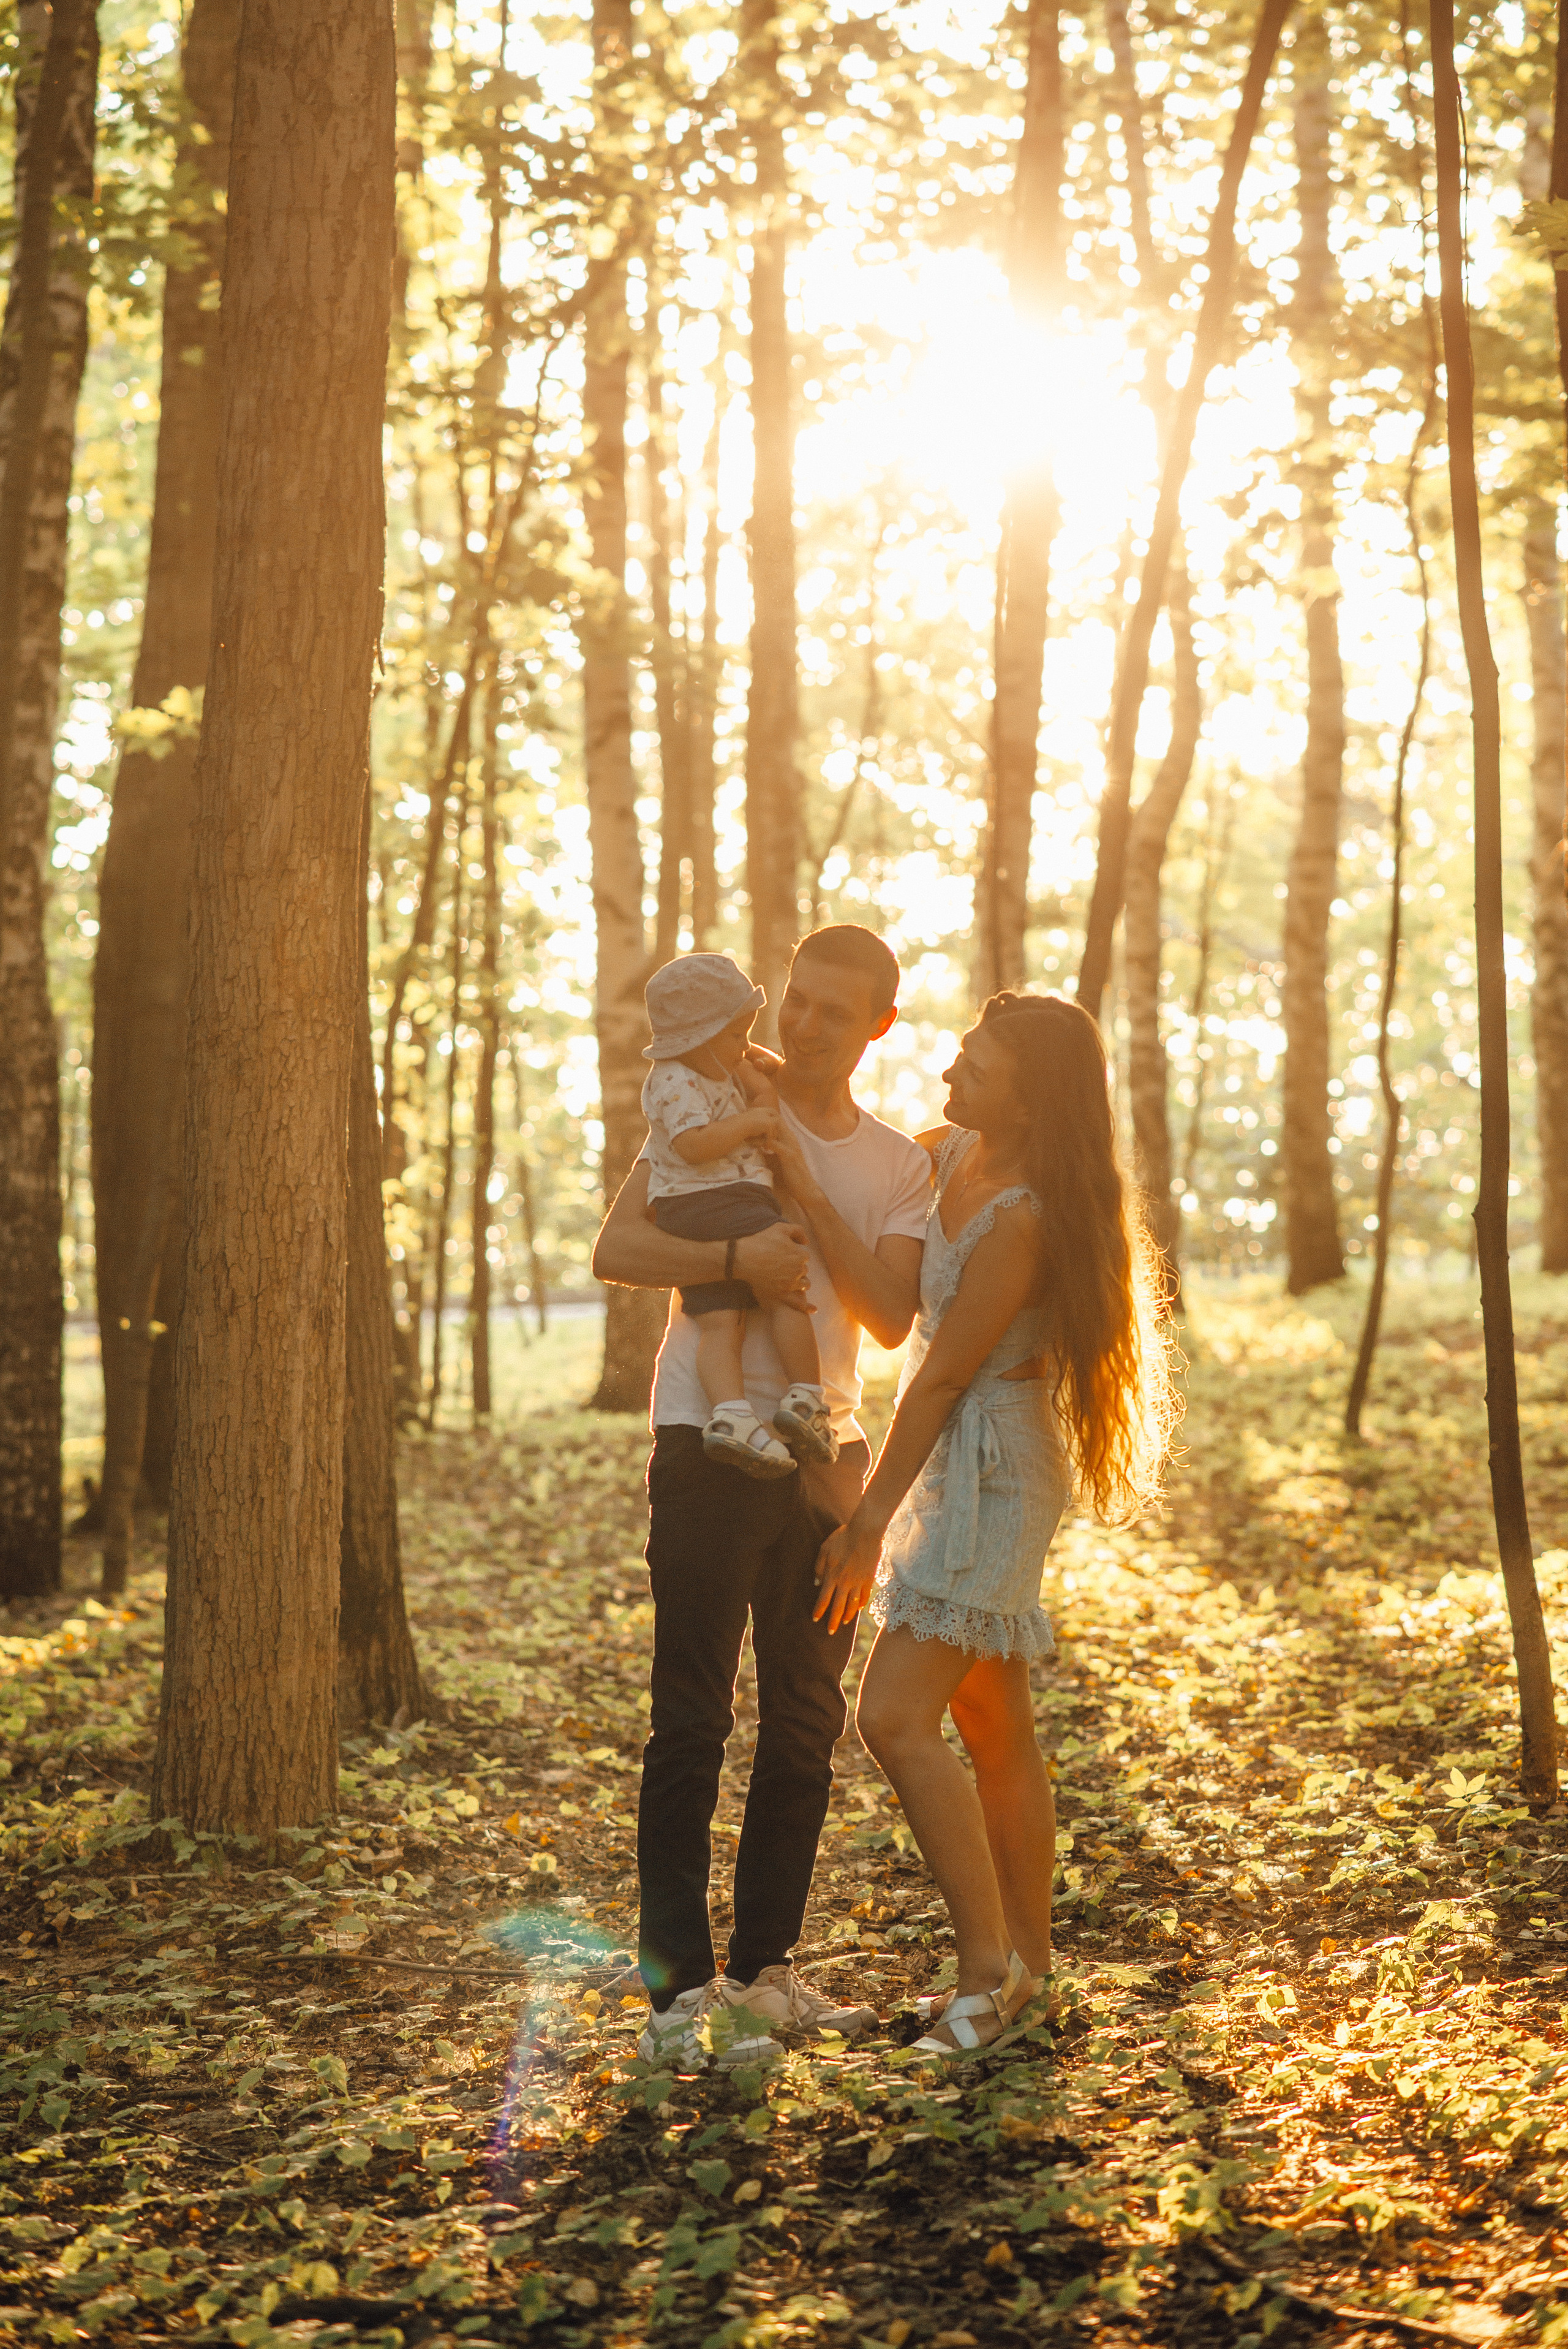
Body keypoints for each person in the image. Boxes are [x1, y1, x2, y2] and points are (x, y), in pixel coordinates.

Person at [592, 925, 932, 2070]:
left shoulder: (897, 1162)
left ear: (880, 1024)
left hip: (824, 1454)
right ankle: (676, 1995)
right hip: (705, 1434)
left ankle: (763, 1972)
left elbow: (888, 1312)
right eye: (798, 1000)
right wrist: (739, 1267)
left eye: (837, 1011)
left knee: (804, 1721)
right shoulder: (714, 1088)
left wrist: (797, 1185)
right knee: (690, 1716)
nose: (805, 1025)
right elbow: (621, 1246)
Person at [813, 993, 1173, 2056]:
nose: (947, 1075)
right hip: (951, 1455)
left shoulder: (1024, 1214)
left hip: (997, 1467)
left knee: (892, 1717)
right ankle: (1032, 1967)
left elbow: (939, 1381)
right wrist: (756, 1076)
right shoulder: (946, 1154)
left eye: (973, 1065)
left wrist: (868, 1521)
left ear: (1031, 1089)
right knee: (994, 1727)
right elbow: (856, 1169)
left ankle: (986, 1970)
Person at [640, 951, 835, 1478]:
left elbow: (760, 1095)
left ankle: (730, 1416)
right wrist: (753, 1122)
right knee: (788, 1286)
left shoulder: (715, 1070)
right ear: (697, 1039)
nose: (746, 1046)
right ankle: (808, 1399)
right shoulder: (674, 1081)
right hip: (723, 1199)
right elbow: (695, 1144)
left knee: (721, 1322)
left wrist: (756, 1079)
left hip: (693, 1211)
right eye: (736, 1035)